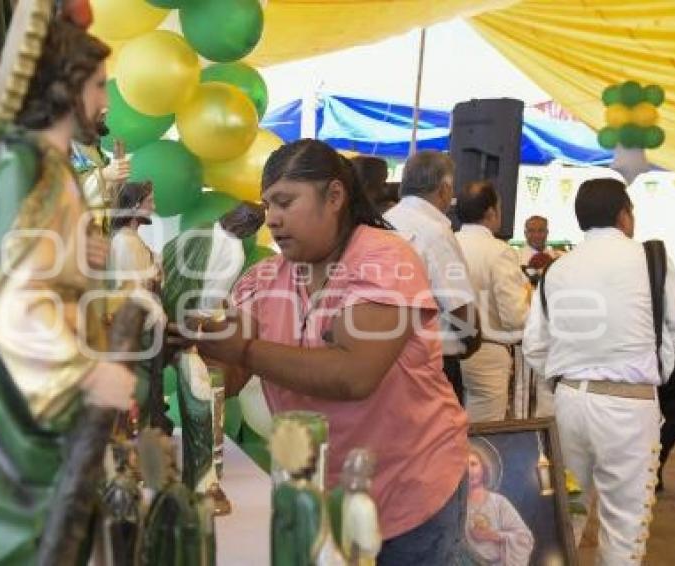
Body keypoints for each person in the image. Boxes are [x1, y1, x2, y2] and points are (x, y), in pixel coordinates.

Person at [173, 139, 469, 565]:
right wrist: (189, 348)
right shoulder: (265, 277)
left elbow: (354, 375)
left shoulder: (384, 257)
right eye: (267, 205)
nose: (271, 219)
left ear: (334, 196)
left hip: (408, 486)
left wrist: (244, 348)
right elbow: (230, 374)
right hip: (323, 490)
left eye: (285, 202)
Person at [0, 13, 137, 563]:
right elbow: (13, 302)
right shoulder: (22, 165)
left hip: (43, 414)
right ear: (65, 86)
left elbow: (39, 262)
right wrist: (89, 374)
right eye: (97, 85)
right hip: (18, 423)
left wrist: (81, 256)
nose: (104, 100)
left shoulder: (51, 167)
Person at [523, 178, 675, 564]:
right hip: (629, 407)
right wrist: (656, 351)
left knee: (566, 513)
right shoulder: (651, 258)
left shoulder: (557, 269)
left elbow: (535, 346)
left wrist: (572, 368)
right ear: (624, 215)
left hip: (569, 401)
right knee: (623, 526)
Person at [384, 150, 481, 403]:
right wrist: (472, 341)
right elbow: (460, 306)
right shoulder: (434, 230)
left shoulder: (382, 223)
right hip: (432, 363)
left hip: (385, 360)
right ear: (445, 188)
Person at [455, 181, 528, 422]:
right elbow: (514, 317)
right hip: (486, 352)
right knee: (481, 440)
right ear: (490, 212)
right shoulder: (499, 251)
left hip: (445, 351)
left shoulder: (447, 242)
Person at [464, 446, 534, 565]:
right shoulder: (457, 508)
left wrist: (493, 536)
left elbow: (524, 539)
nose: (469, 471)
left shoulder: (499, 502)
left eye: (473, 464)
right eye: (464, 466)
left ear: (483, 468)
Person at [71, 110, 130, 234]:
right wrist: (104, 174)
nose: (105, 111)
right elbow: (72, 191)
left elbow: (111, 199)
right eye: (97, 108)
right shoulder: (69, 147)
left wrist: (118, 170)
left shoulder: (95, 150)